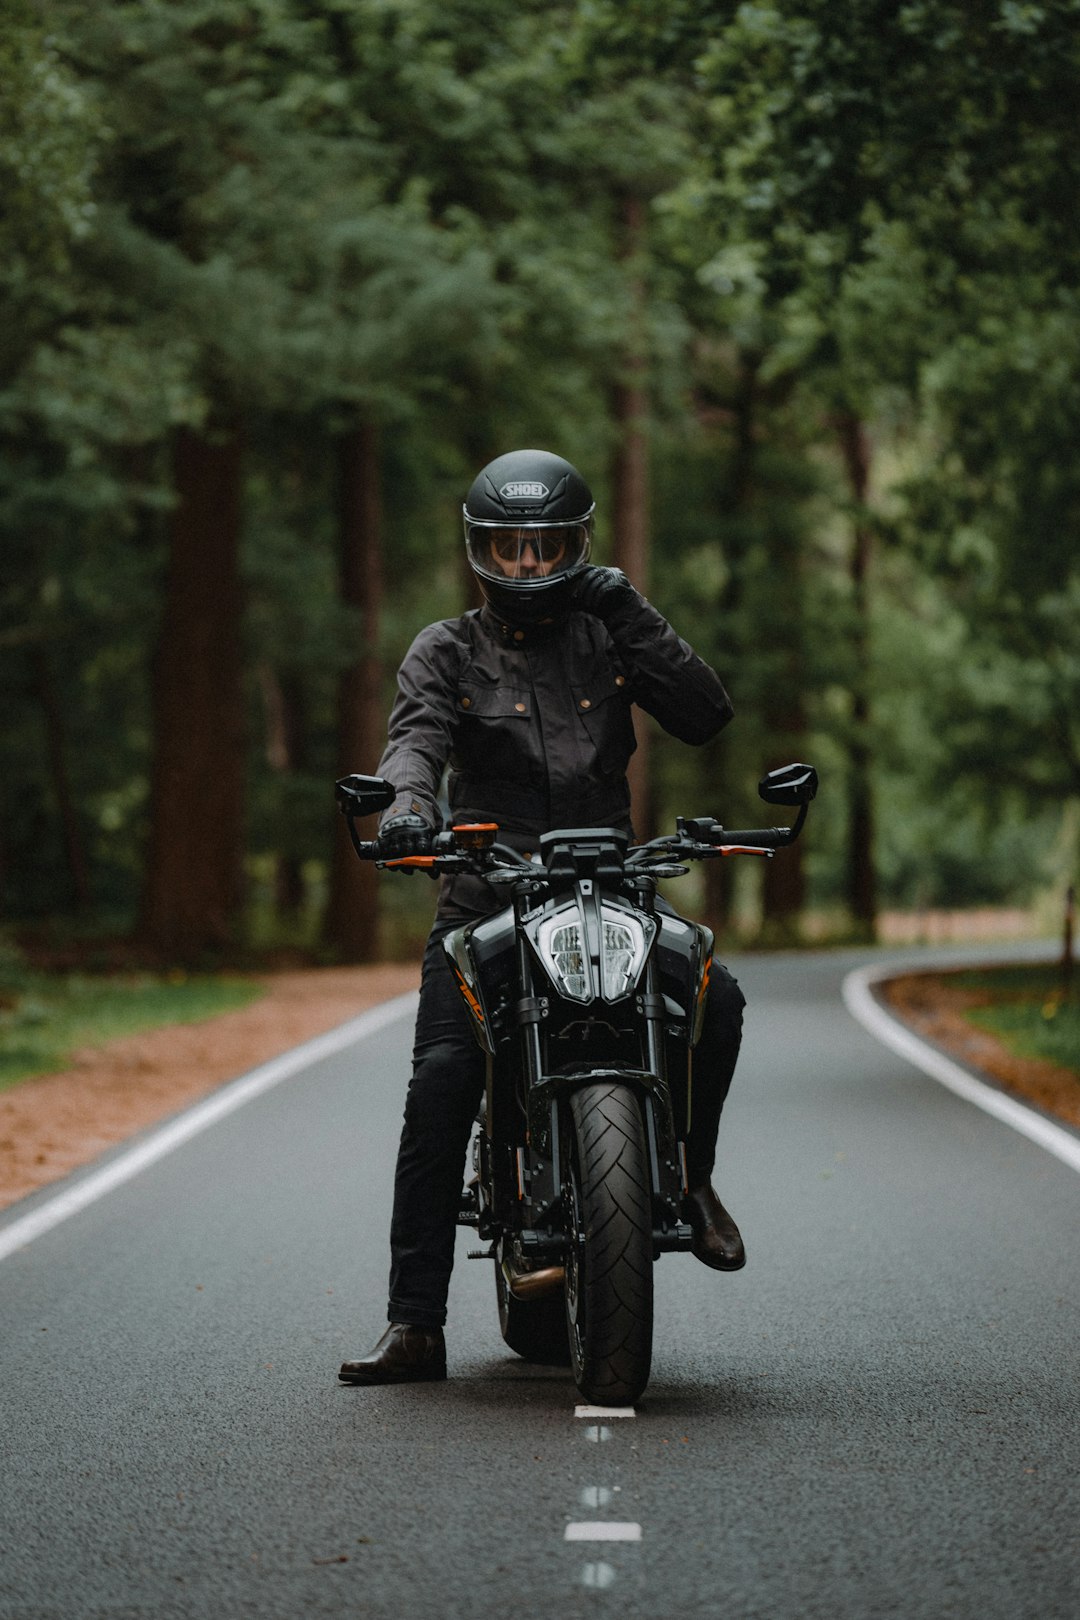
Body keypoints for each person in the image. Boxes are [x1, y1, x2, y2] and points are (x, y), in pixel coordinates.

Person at [339, 448, 746, 1386]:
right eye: (510, 549)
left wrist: (631, 610)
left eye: (547, 546)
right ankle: (415, 1323)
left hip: (613, 888)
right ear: (482, 551)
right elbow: (416, 742)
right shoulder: (444, 650)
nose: (528, 565)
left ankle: (690, 1179)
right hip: (488, 892)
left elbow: (705, 713)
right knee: (443, 1075)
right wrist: (410, 812)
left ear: (577, 545)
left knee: (716, 1005)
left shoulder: (610, 638)